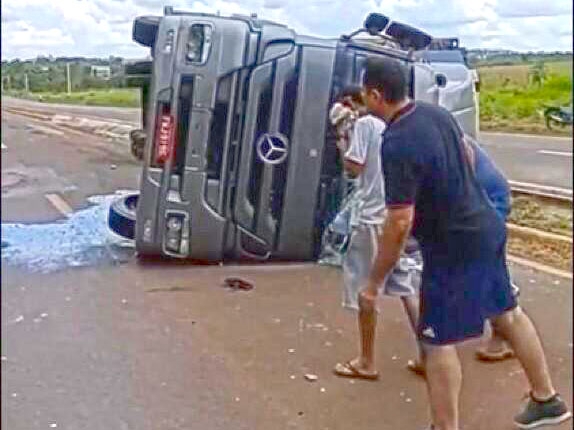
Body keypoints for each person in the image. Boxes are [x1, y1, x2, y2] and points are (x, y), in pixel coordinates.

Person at [360, 56, 571, 430]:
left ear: (375, 94)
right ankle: (546, 399)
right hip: (486, 224)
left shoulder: (395, 142)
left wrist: (376, 280)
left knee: (437, 340)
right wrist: (458, 193)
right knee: (506, 312)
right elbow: (468, 154)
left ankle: (445, 427)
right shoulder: (433, 113)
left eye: (364, 92)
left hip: (453, 246)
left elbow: (399, 220)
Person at [328, 86, 423, 380]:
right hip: (394, 213)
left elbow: (354, 167)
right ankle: (427, 353)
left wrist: (342, 135)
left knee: (366, 291)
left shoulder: (366, 125)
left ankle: (366, 361)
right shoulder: (397, 125)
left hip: (370, 217)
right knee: (406, 287)